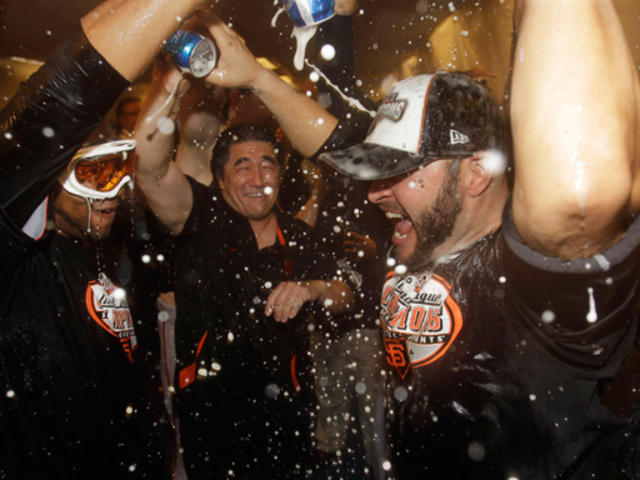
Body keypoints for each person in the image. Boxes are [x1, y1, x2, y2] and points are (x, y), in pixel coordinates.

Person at [191, 1, 640, 478]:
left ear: (473, 173)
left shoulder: (533, 274)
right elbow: (333, 144)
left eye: (397, 172)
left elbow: (579, 198)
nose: (374, 192)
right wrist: (257, 79)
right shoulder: (423, 228)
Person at [0, 0, 212, 477]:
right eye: (95, 173)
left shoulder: (119, 252)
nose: (113, 190)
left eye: (119, 169)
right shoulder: (17, 262)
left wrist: (167, 86)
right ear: (50, 183)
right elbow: (46, 114)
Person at [133, 60, 355, 478]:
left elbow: (345, 296)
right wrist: (170, 87)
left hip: (288, 418)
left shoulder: (297, 235)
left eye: (267, 164)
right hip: (213, 418)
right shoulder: (199, 218)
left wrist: (313, 288)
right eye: (243, 166)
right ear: (220, 180)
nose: (258, 178)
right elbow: (150, 168)